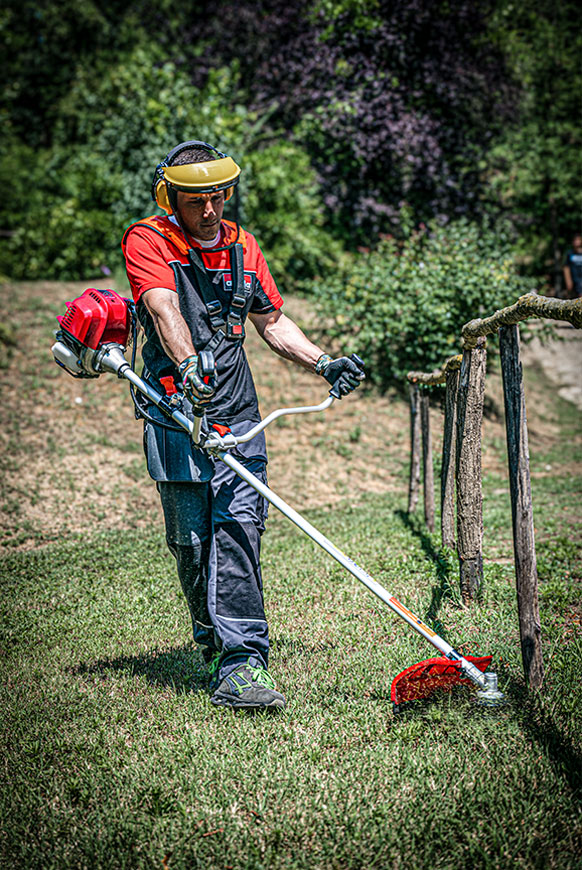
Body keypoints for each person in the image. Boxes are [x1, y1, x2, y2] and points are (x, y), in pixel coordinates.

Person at [122, 140, 365, 711]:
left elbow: (272, 323)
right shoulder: (149, 239)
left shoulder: (243, 246)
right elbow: (163, 309)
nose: (209, 210)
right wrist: (188, 368)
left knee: (239, 526)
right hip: (175, 411)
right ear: (171, 197)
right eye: (195, 199)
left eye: (217, 197)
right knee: (192, 541)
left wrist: (323, 361)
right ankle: (213, 645)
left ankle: (241, 660)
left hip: (238, 411)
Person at [563, 233, 582, 298]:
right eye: (575, 240)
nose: (577, 242)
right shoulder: (570, 254)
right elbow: (566, 268)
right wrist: (568, 281)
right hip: (574, 280)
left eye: (578, 240)